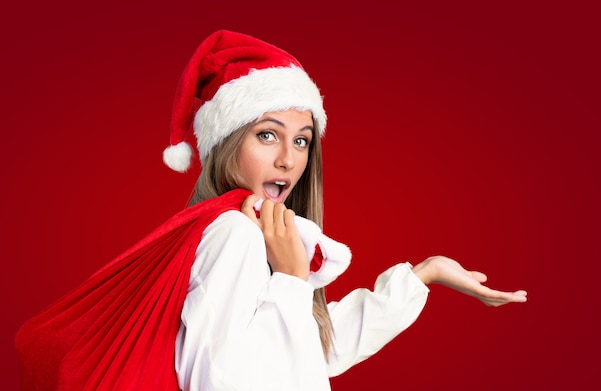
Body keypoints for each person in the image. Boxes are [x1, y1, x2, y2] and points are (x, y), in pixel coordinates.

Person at [15, 30, 527, 391]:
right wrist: (288, 277)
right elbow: (222, 383)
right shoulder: (232, 236)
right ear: (225, 143)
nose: (288, 159)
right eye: (267, 135)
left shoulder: (255, 232)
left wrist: (424, 275)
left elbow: (309, 352)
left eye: (302, 141)